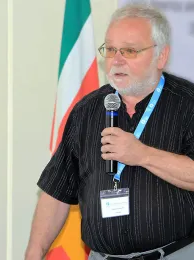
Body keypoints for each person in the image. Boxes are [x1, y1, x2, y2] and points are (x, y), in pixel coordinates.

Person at [25, 4, 194, 260]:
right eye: (111, 49)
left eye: (129, 50)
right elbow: (56, 192)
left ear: (161, 56)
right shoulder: (87, 110)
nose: (116, 60)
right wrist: (34, 253)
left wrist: (142, 155)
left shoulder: (188, 103)